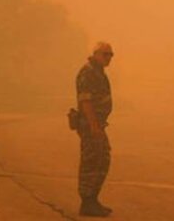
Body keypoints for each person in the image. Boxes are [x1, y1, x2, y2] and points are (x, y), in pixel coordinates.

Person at [76, 42, 114, 217]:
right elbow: (86, 101)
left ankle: (93, 199)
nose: (109, 58)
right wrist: (93, 126)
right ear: (96, 54)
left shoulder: (98, 72)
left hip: (98, 124)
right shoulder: (88, 72)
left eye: (111, 55)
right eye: (106, 54)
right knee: (91, 162)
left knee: (102, 159)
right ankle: (87, 202)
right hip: (91, 125)